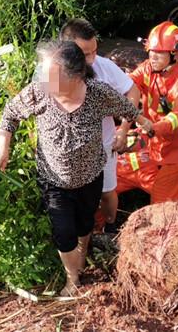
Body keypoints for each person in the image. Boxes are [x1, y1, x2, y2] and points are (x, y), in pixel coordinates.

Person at [0, 40, 152, 296]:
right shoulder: (39, 93)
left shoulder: (98, 93)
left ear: (76, 76)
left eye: (52, 76)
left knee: (85, 224)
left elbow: (128, 108)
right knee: (64, 233)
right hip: (54, 179)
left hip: (90, 176)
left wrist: (142, 123)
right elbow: (11, 113)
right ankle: (73, 278)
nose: (45, 81)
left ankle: (82, 256)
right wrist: (2, 146)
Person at [59, 19, 140, 229]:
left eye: (94, 51)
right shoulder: (49, 71)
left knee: (106, 191)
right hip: (67, 148)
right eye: (86, 54)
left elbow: (132, 91)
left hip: (103, 145)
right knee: (72, 196)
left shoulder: (104, 68)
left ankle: (111, 227)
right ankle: (81, 235)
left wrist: (123, 130)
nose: (92, 58)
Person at [129, 21, 178, 204]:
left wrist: (152, 128)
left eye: (159, 52)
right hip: (162, 143)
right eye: (151, 51)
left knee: (161, 199)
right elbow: (131, 81)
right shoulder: (149, 67)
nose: (152, 56)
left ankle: (163, 231)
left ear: (175, 54)